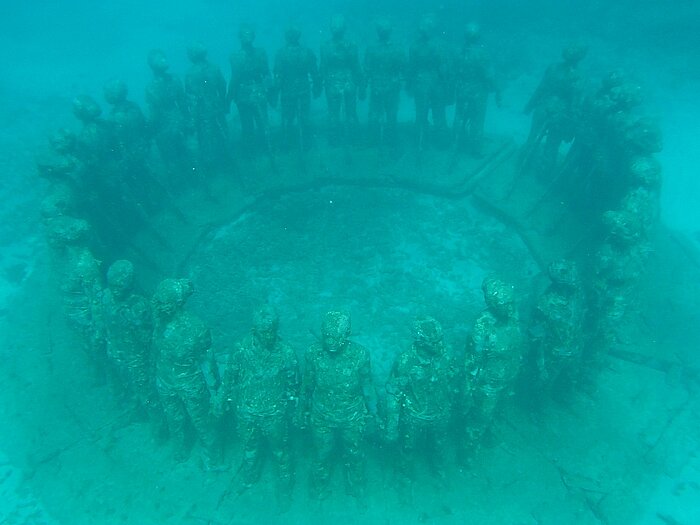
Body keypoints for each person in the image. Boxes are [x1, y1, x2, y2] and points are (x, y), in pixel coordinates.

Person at [214, 306, 299, 508]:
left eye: (272, 330)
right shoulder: (241, 349)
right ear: (254, 330)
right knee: (249, 448)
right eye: (264, 331)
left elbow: (293, 385)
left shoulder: (287, 352)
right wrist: (221, 400)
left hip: (274, 414)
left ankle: (285, 487)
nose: (269, 335)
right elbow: (229, 378)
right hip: (246, 412)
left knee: (280, 451)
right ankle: (249, 479)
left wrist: (293, 410)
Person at [299, 311, 376, 503]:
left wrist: (376, 414)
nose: (331, 342)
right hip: (322, 416)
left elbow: (367, 387)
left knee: (355, 454)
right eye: (327, 336)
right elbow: (307, 385)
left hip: (352, 417)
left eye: (337, 337)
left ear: (347, 334)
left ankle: (356, 489)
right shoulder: (313, 353)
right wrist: (300, 410)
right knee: (321, 454)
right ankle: (318, 491)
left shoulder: (360, 355)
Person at [385, 316, 458, 495]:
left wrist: (455, 403)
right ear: (420, 341)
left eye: (440, 339)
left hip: (440, 413)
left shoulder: (447, 354)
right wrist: (392, 425)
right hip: (414, 416)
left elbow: (453, 379)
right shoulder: (405, 361)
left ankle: (439, 471)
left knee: (439, 445)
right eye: (433, 341)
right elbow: (394, 394)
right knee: (407, 447)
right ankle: (405, 477)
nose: (439, 344)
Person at [152, 278, 221, 469]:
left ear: (178, 303)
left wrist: (216, 393)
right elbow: (154, 351)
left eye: (164, 303)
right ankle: (180, 449)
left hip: (190, 385)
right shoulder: (158, 320)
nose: (158, 305)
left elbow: (208, 364)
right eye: (158, 300)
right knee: (174, 418)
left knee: (202, 422)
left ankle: (213, 456)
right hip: (165, 382)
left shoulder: (196, 329)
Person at [463, 277, 522, 464]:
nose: (510, 307)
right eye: (506, 304)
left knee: (502, 411)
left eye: (512, 302)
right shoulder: (482, 327)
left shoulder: (513, 316)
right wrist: (469, 389)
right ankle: (468, 452)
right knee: (480, 418)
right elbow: (472, 361)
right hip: (488, 384)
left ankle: (493, 439)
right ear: (494, 305)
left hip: (509, 376)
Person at [102, 260, 164, 432]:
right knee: (139, 390)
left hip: (127, 356)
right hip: (128, 356)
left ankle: (150, 420)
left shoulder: (110, 298)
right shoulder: (133, 305)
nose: (116, 290)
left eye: (119, 285)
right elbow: (147, 336)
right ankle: (152, 423)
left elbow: (150, 337)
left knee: (138, 390)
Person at [522, 43, 588, 176]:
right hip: (560, 115)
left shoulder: (552, 67)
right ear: (580, 58)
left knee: (532, 137)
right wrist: (572, 126)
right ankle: (543, 174)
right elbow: (575, 104)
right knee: (552, 145)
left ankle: (523, 165)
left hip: (542, 108)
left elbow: (541, 88)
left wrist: (529, 106)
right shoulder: (580, 76)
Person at [530, 260, 586, 397]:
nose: (574, 274)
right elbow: (537, 335)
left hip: (574, 348)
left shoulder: (577, 295)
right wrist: (541, 364)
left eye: (572, 269)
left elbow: (579, 320)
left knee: (569, 378)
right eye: (567, 272)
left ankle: (564, 396)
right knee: (545, 382)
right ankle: (537, 406)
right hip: (554, 353)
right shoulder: (545, 303)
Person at [453, 23, 500, 156]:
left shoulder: (458, 51)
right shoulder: (482, 54)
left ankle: (457, 142)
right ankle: (475, 149)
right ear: (478, 37)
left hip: (461, 90)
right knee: (477, 120)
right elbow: (489, 76)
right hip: (478, 93)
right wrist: (496, 90)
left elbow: (454, 72)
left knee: (459, 116)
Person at [407, 16, 452, 149]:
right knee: (439, 113)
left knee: (421, 114)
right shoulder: (440, 45)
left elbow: (411, 67)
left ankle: (421, 141)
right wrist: (446, 83)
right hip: (437, 83)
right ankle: (441, 143)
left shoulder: (414, 45)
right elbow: (444, 67)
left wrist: (409, 85)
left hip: (421, 84)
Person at [273, 26, 321, 151]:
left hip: (287, 91)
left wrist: (275, 92)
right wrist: (317, 87)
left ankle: (286, 143)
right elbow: (315, 73)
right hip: (304, 89)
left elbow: (278, 76)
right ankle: (306, 143)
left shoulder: (281, 53)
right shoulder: (307, 52)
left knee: (287, 118)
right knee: (304, 117)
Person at [145, 49, 191, 176]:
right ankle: (194, 178)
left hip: (164, 127)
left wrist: (148, 131)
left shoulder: (150, 88)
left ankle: (180, 184)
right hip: (178, 120)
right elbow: (183, 104)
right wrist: (187, 121)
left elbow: (154, 114)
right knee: (184, 151)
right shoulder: (175, 78)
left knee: (169, 157)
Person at [227, 24, 272, 154]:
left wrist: (228, 99)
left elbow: (234, 79)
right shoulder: (261, 52)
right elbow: (267, 74)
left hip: (244, 94)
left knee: (250, 125)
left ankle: (253, 153)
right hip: (257, 92)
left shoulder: (235, 56)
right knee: (260, 123)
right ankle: (263, 150)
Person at [319, 15, 363, 145]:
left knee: (333, 113)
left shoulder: (325, 46)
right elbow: (356, 66)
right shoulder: (352, 45)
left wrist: (320, 83)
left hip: (332, 84)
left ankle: (334, 140)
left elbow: (323, 67)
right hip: (349, 82)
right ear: (344, 29)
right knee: (351, 112)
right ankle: (354, 139)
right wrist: (361, 84)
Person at [185, 42, 230, 171]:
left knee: (207, 139)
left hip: (202, 111)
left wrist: (192, 119)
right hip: (217, 107)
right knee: (223, 132)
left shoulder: (190, 74)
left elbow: (190, 98)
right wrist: (223, 102)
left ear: (192, 56)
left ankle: (211, 167)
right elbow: (222, 85)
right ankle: (227, 160)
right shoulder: (215, 68)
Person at [363, 19, 406, 150]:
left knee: (375, 114)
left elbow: (366, 69)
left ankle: (374, 141)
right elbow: (403, 68)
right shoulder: (398, 49)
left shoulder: (371, 49)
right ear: (390, 32)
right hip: (392, 87)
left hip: (376, 86)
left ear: (378, 32)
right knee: (391, 114)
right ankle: (391, 141)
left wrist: (363, 87)